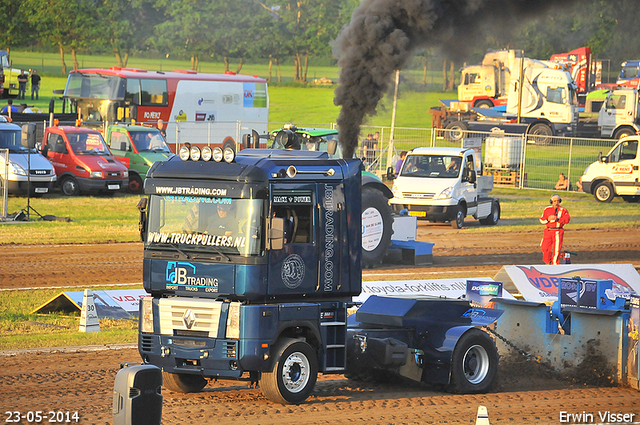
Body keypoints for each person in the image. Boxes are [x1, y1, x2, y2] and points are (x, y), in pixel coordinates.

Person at [539, 194, 571, 265]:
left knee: (556, 249)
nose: (556, 202)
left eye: (557, 201)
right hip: (548, 231)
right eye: (554, 201)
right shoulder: (547, 209)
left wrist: (557, 219)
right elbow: (542, 220)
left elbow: (567, 220)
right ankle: (547, 261)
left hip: (558, 231)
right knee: (544, 247)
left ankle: (555, 264)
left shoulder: (563, 210)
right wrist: (548, 219)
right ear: (551, 201)